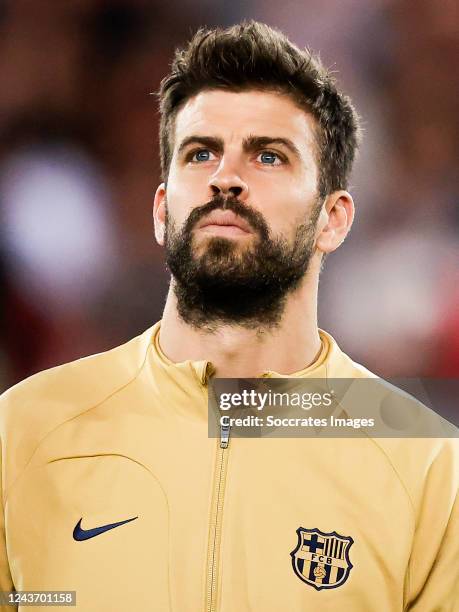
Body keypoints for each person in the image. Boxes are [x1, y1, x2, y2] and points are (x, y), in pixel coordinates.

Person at [0, 21, 457, 612]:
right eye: (200, 153)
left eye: (269, 155)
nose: (225, 178)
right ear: (163, 209)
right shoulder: (25, 430)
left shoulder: (423, 462)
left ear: (333, 218)